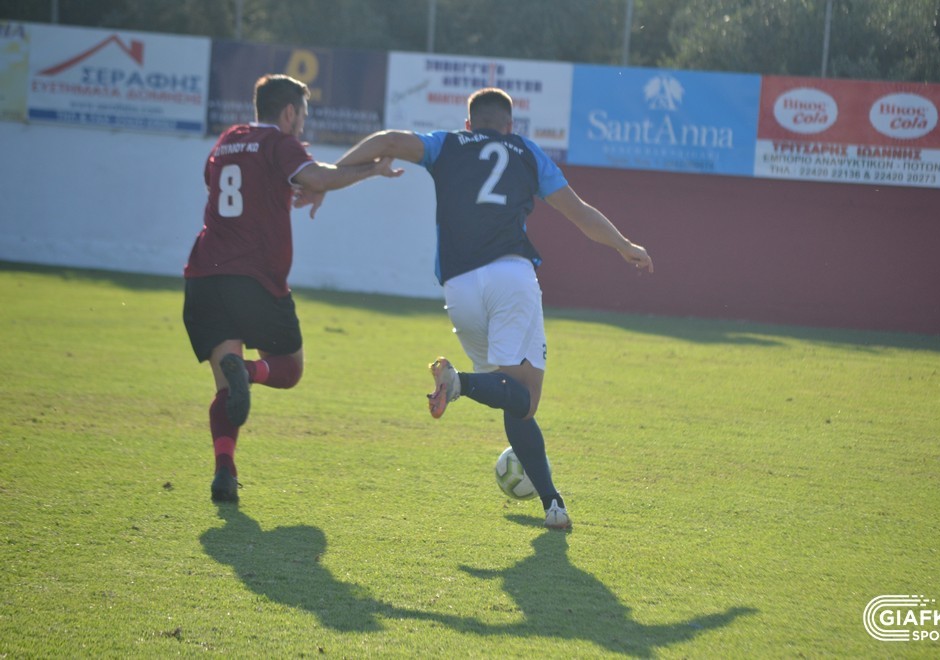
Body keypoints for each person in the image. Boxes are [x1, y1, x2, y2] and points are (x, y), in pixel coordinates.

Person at [334, 87, 653, 529]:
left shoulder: (445, 144)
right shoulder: (526, 151)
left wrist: (334, 174)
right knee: (523, 401)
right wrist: (623, 244)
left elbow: (387, 140)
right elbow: (579, 212)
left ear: (468, 123)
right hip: (510, 278)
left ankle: (553, 505)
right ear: (509, 126)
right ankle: (460, 383)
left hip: (459, 288)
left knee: (504, 391)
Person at [183, 74, 401, 503]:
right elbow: (318, 177)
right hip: (255, 279)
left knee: (225, 390)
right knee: (288, 369)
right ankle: (248, 371)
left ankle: (224, 470)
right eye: (302, 114)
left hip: (205, 274)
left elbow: (225, 187)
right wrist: (371, 169)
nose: (302, 123)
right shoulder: (278, 143)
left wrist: (285, 186)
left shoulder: (227, 140)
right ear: (288, 112)